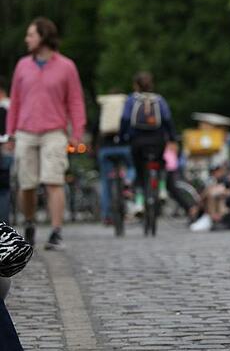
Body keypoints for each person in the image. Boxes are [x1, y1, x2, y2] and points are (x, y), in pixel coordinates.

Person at [6, 17, 86, 249]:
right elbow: (15, 101)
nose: (27, 39)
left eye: (31, 35)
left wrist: (76, 132)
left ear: (43, 37)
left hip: (54, 131)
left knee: (54, 180)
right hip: (26, 130)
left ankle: (56, 232)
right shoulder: (22, 65)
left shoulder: (66, 66)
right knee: (27, 185)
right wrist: (10, 133)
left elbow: (75, 101)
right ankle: (29, 222)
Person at [119, 71, 176, 214]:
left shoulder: (131, 100)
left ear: (136, 85)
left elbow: (125, 119)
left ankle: (139, 203)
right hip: (157, 140)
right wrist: (172, 137)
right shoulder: (159, 100)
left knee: (139, 171)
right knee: (160, 163)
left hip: (137, 140)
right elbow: (167, 119)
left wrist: (122, 137)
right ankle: (161, 189)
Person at [95, 90, 135, 226]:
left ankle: (107, 216)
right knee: (131, 167)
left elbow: (96, 128)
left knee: (105, 182)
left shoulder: (104, 105)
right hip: (123, 147)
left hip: (106, 148)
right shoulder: (125, 104)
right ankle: (127, 182)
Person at [0, 79, 12, 223]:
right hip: (6, 150)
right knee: (4, 189)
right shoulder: (10, 106)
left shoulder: (7, 106)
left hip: (4, 150)